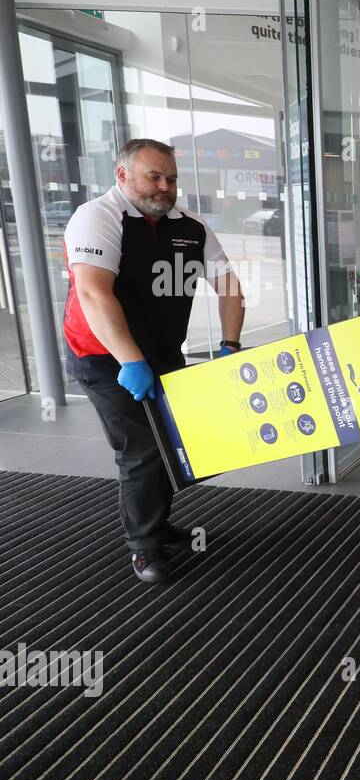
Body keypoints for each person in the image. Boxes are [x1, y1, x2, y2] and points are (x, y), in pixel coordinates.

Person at [63, 138, 246, 584]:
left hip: (163, 354)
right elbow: (92, 293)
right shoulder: (98, 217)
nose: (165, 187)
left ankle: (157, 525)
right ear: (123, 175)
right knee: (141, 450)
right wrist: (131, 361)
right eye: (154, 176)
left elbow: (230, 287)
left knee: (169, 444)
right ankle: (144, 549)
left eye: (172, 178)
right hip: (106, 358)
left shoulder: (192, 228)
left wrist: (230, 346)